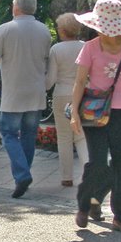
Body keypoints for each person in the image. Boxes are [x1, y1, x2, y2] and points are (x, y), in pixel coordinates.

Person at [70, 0, 121, 233]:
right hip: (94, 113)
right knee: (97, 163)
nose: (103, 31)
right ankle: (86, 203)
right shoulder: (90, 48)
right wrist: (74, 112)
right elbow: (79, 82)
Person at [0, 0, 51, 198]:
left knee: (9, 133)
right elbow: (46, 59)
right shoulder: (44, 30)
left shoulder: (5, 29)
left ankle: (22, 174)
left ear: (16, 7)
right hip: (36, 91)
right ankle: (24, 173)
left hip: (13, 92)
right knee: (29, 135)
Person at [46, 13, 89, 187]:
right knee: (82, 136)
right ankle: (88, 172)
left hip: (61, 94)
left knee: (64, 137)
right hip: (82, 94)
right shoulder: (85, 47)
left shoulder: (56, 49)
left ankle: (66, 177)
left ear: (62, 30)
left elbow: (50, 79)